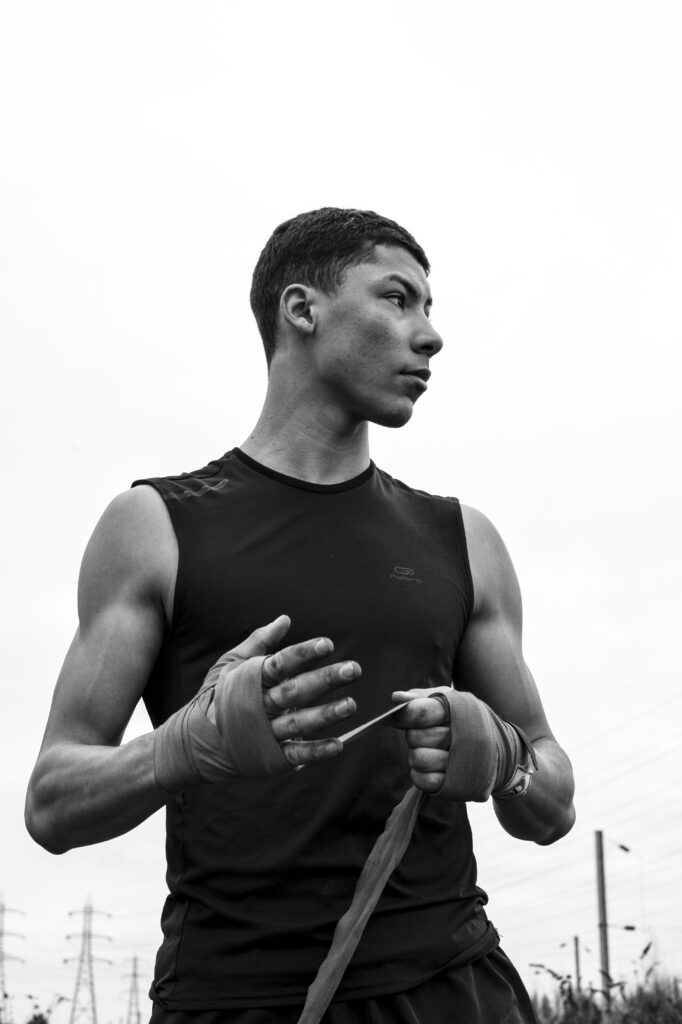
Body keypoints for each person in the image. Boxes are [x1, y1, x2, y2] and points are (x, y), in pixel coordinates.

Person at [26, 207, 575, 1023]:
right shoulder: (154, 527)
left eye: (429, 308)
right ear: (302, 309)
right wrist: (182, 748)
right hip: (235, 996)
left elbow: (554, 799)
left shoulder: (464, 538)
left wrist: (505, 762)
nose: (429, 336)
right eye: (398, 299)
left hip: (451, 985)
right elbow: (52, 804)